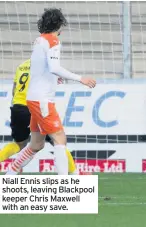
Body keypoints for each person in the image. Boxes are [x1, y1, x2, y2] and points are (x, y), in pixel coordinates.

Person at [6, 8, 96, 175]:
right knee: (59, 139)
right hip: (42, 100)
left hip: (32, 98)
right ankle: (65, 185)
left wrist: (54, 78)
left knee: (36, 145)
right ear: (60, 25)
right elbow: (54, 67)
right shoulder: (53, 41)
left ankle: (9, 175)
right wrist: (80, 78)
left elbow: (40, 69)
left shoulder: (39, 40)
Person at [0, 59, 87, 175]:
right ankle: (75, 175)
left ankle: (11, 173)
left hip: (18, 107)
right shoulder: (47, 66)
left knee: (20, 144)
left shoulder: (22, 66)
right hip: (36, 107)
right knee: (58, 141)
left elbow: (14, 90)